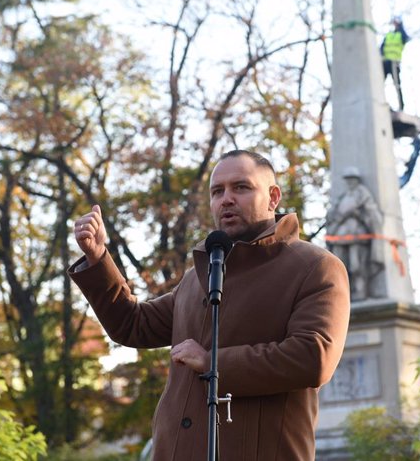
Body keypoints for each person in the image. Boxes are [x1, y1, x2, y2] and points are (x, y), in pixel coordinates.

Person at [68, 150, 350, 461]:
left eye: (241, 187)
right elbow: (134, 326)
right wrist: (98, 259)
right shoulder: (198, 276)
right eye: (218, 191)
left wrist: (212, 362)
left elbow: (313, 357)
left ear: (273, 198)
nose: (226, 199)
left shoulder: (316, 267)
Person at [326, 167, 384, 301]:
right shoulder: (343, 196)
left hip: (357, 234)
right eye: (348, 179)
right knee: (339, 266)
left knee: (356, 266)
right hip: (340, 236)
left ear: (357, 180)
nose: (350, 182)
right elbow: (332, 214)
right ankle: (342, 295)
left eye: (352, 179)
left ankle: (360, 292)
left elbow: (372, 214)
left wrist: (359, 215)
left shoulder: (362, 195)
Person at [380, 16, 410, 110]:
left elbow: (405, 38)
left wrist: (400, 26)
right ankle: (381, 102)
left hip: (395, 63)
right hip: (385, 63)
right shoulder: (389, 35)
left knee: (397, 85)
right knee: (380, 84)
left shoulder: (401, 35)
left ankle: (401, 106)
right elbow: (381, 48)